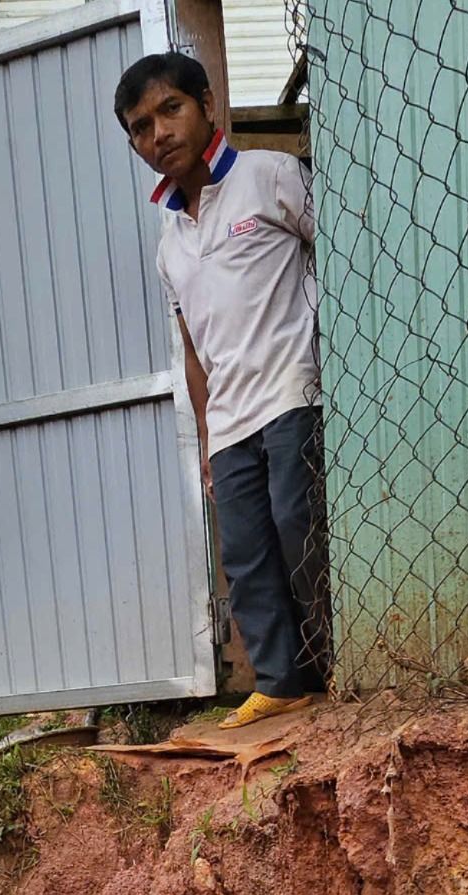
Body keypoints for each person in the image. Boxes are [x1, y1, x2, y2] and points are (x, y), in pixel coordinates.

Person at [115, 51, 327, 729]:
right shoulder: (169, 243)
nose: (160, 135)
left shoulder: (271, 176)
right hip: (231, 417)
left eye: (170, 109)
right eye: (141, 128)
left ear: (207, 104)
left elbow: (333, 254)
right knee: (245, 552)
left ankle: (337, 661)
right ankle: (280, 681)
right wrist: (207, 438)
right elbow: (192, 350)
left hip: (294, 389)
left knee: (300, 526)